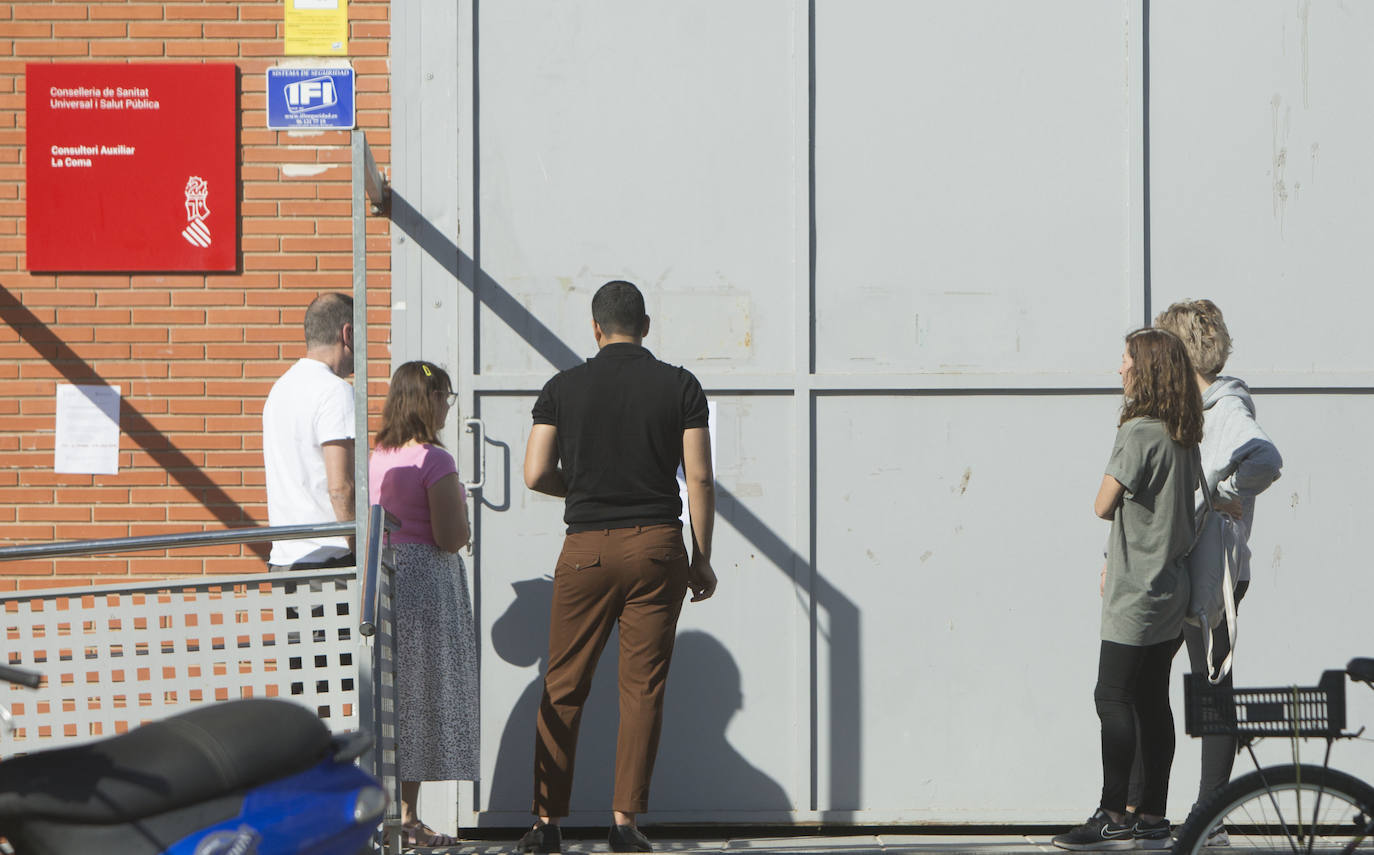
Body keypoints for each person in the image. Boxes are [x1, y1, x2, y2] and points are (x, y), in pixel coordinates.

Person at [517, 280, 717, 854]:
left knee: (563, 684)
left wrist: (578, 488)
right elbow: (698, 477)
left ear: (595, 328)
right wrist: (702, 558)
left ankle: (545, 824)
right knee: (642, 688)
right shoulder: (680, 385)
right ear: (646, 326)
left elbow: (534, 472)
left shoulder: (562, 387)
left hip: (586, 550)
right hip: (657, 547)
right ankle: (625, 823)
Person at [1132, 299, 1282, 838]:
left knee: (1211, 686)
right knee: (1143, 681)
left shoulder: (1227, 409)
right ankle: (1138, 811)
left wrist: (1223, 490)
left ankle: (1208, 814)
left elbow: (1265, 459)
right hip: (1178, 568)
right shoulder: (1184, 407)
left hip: (1213, 574)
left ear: (1182, 349)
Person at [1053, 328, 1203, 852]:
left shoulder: (1139, 432)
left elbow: (1101, 503)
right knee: (1151, 700)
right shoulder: (1183, 432)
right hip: (1171, 587)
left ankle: (1113, 812)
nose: (1119, 369)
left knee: (1111, 696)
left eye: (1125, 361)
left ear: (1147, 369)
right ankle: (1155, 816)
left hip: (1136, 590)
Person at [368, 361, 479, 849]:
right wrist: (467, 520)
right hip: (429, 584)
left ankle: (397, 815)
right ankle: (408, 817)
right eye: (445, 399)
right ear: (428, 401)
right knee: (424, 697)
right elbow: (451, 536)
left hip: (389, 577)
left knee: (397, 697)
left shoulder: (377, 455)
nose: (447, 409)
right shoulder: (435, 460)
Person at [263, 293, 356, 571]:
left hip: (284, 560)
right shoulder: (335, 391)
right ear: (347, 333)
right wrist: (362, 553)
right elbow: (341, 488)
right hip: (328, 562)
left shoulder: (279, 389)